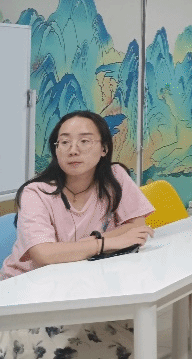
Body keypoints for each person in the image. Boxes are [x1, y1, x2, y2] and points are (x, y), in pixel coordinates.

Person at [0, 111, 155, 359]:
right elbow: (43, 254)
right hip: (27, 297)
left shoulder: (115, 177)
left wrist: (78, 247)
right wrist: (102, 243)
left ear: (104, 148)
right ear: (56, 149)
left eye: (84, 141)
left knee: (127, 332)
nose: (73, 150)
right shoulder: (36, 192)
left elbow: (136, 225)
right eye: (64, 142)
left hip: (81, 289)